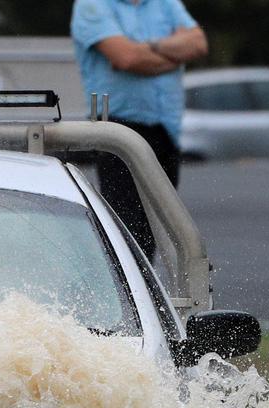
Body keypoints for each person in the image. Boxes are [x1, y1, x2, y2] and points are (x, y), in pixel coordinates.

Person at [71, 0, 207, 261]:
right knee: (127, 232)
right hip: (117, 133)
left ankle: (146, 295)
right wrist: (174, 55)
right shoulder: (92, 4)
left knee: (161, 228)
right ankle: (129, 297)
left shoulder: (164, 3)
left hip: (164, 129)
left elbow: (198, 43)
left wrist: (152, 49)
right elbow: (126, 57)